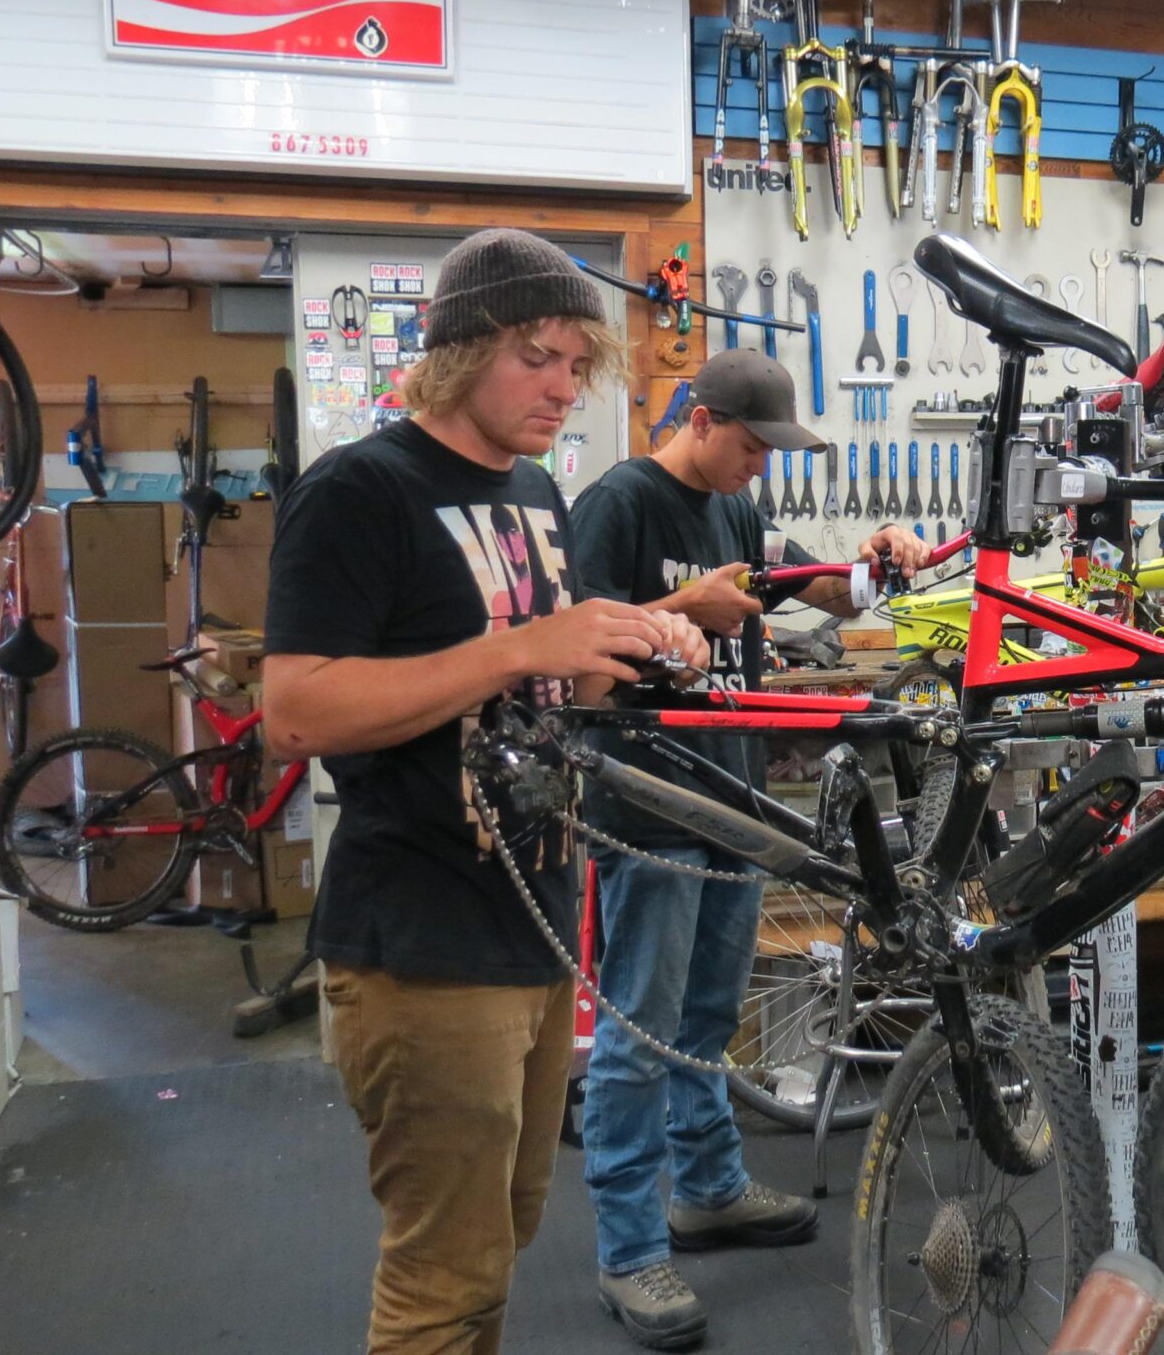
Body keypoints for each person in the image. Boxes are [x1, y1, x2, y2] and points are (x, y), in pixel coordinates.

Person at [264, 227, 710, 1355]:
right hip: (420, 940)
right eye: (534, 356)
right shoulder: (359, 490)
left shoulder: (536, 491)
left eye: (575, 363)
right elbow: (296, 712)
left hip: (532, 925)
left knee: (500, 1236)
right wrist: (520, 646)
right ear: (460, 350)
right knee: (443, 1276)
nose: (561, 386)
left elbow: (542, 688)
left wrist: (638, 646)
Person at [568, 349, 930, 1350]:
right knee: (641, 1034)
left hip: (732, 796)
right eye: (752, 445)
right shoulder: (619, 503)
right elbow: (572, 656)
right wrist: (683, 610)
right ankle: (629, 1247)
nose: (762, 465)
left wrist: (877, 560)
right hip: (649, 803)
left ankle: (709, 1187)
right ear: (701, 418)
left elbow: (820, 592)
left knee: (707, 1016)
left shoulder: (734, 511)